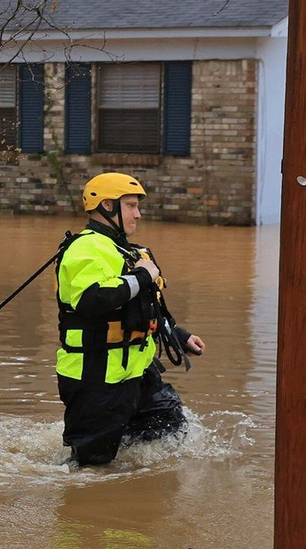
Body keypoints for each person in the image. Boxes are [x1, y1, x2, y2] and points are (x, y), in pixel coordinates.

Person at [55, 172, 205, 466]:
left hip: (137, 371)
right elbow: (91, 299)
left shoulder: (128, 250)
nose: (138, 214)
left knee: (170, 432)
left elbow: (144, 308)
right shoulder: (86, 249)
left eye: (138, 207)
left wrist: (177, 334)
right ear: (107, 206)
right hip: (96, 377)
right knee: (90, 467)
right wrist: (141, 275)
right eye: (131, 206)